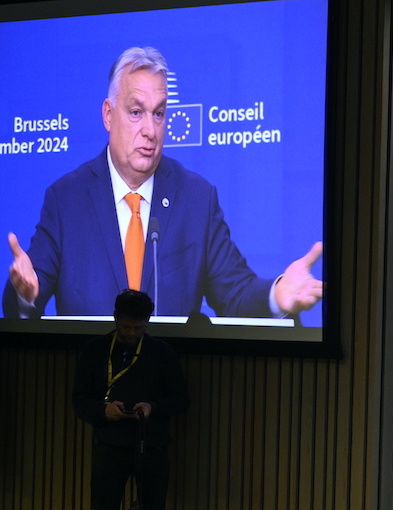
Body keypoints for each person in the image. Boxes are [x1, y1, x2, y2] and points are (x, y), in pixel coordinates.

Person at [4, 45, 323, 320]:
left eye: (158, 114)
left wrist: (277, 295)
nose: (150, 130)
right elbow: (29, 292)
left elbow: (235, 293)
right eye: (136, 112)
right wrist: (24, 295)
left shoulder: (196, 198)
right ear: (108, 115)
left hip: (169, 371)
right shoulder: (66, 199)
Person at [73, 289, 190, 510]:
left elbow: (181, 399)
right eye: (126, 327)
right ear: (115, 318)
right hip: (109, 444)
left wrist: (153, 407)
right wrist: (103, 412)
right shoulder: (95, 350)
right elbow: (80, 399)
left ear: (148, 321)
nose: (132, 333)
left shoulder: (161, 352)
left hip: (151, 445)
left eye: (139, 327)